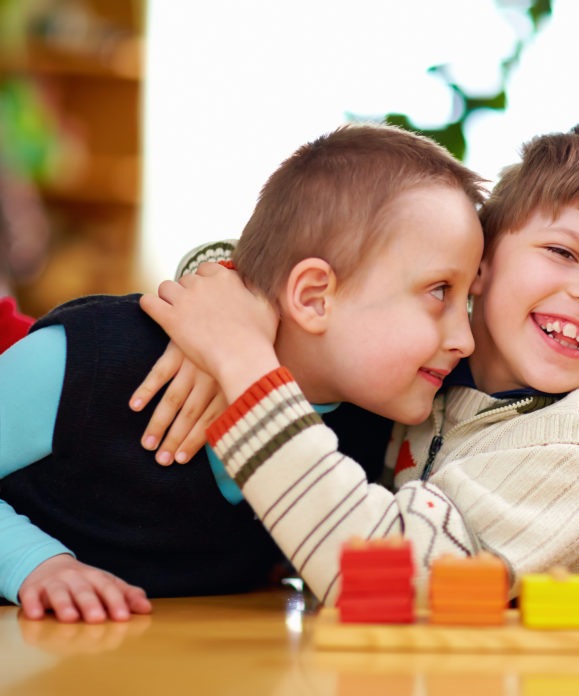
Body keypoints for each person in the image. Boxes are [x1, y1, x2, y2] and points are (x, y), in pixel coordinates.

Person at [139, 124, 579, 604]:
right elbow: (316, 266)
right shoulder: (428, 368)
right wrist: (222, 298)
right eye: (563, 252)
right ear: (480, 263)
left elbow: (380, 579)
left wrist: (239, 355)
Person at [0, 122, 486, 622]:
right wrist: (35, 564)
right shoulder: (89, 357)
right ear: (314, 297)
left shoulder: (370, 432)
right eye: (438, 292)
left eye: (467, 300)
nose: (464, 338)